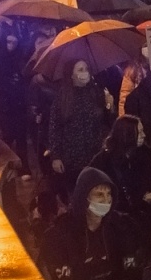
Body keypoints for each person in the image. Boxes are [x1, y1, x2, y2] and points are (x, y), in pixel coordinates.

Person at [47, 60, 112, 202]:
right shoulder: (62, 97)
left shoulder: (96, 93)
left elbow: (108, 122)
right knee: (76, 196)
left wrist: (109, 106)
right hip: (72, 158)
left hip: (95, 154)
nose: (84, 73)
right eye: (80, 70)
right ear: (71, 74)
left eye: (86, 69)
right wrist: (56, 156)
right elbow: (54, 128)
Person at [88, 115, 151, 226]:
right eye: (140, 132)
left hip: (143, 219)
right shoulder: (103, 161)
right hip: (115, 219)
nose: (144, 135)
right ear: (127, 135)